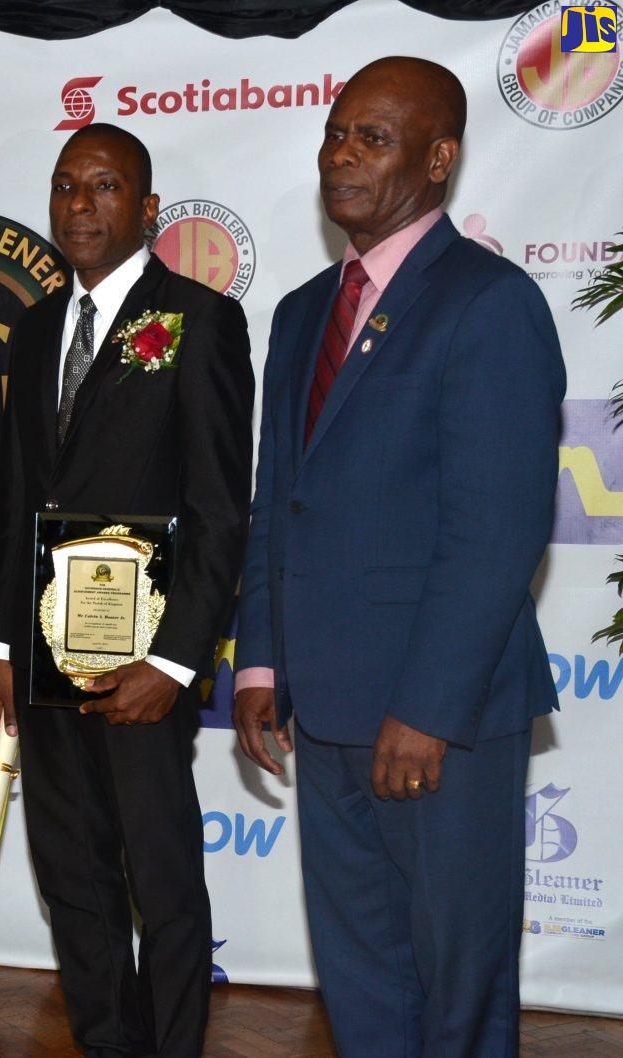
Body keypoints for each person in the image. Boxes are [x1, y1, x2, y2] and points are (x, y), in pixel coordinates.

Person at [233, 57, 564, 1058]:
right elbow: (278, 504)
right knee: (361, 972)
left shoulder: (489, 301)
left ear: (438, 157)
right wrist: (260, 663)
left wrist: (427, 709)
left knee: (458, 977)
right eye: (336, 133)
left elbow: (495, 531)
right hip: (322, 705)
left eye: (372, 138)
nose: (342, 155)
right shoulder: (302, 310)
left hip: (440, 719)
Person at [0, 124, 253, 1058]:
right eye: (66, 185)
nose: (80, 204)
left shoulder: (199, 319)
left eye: (104, 187)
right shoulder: (35, 325)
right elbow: (20, 497)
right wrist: (2, 646)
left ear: (146, 209)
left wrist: (174, 664)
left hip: (144, 664)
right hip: (45, 651)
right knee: (72, 873)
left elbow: (220, 509)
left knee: (162, 880)